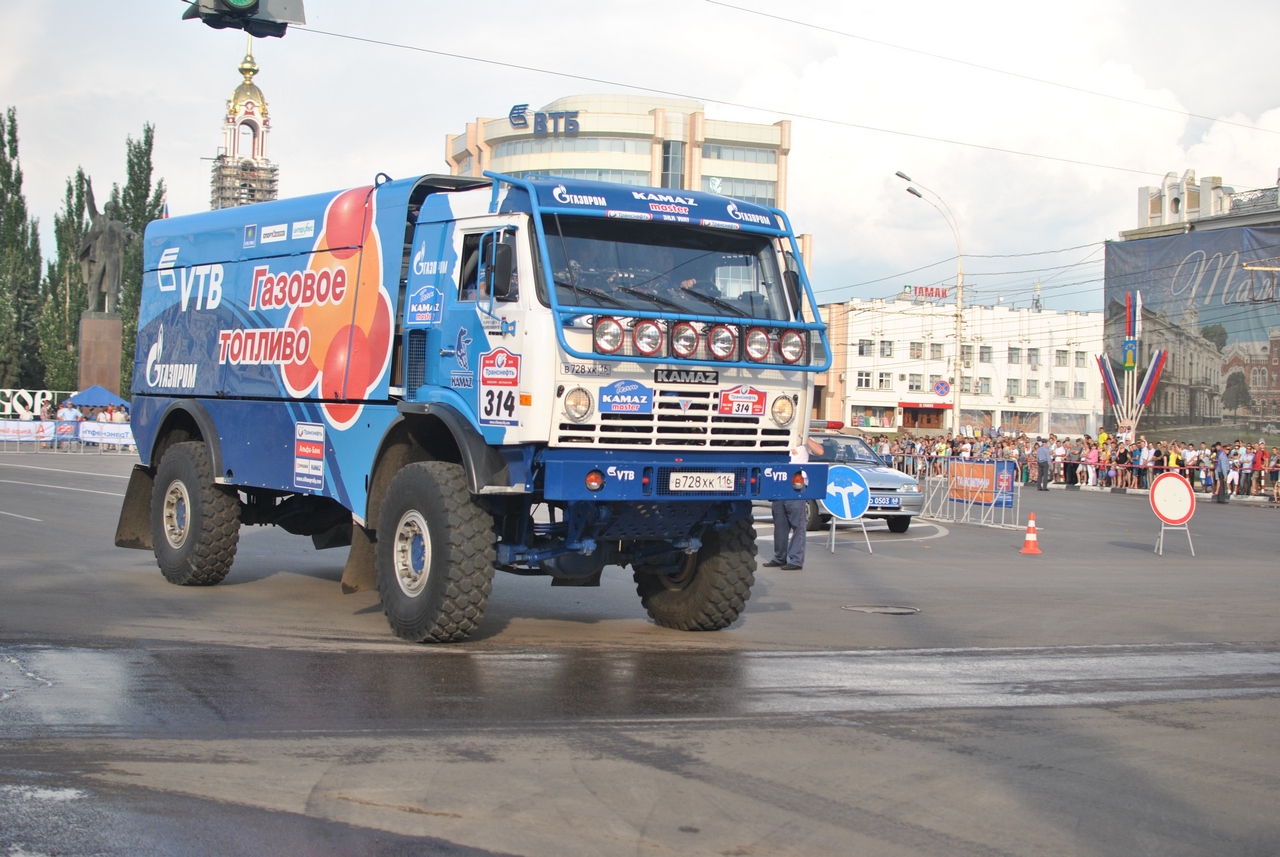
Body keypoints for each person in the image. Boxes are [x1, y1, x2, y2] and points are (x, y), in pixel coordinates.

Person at [765, 442, 809, 570]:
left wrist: (805, 437)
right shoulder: (782, 439)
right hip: (779, 483)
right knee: (780, 525)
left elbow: (820, 451)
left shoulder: (804, 441)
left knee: (797, 525)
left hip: (795, 485)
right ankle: (779, 557)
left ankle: (796, 560)